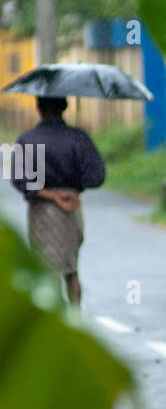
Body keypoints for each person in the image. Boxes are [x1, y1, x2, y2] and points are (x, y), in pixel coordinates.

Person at [10, 96, 106, 305]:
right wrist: (72, 190)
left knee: (47, 268)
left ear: (38, 108)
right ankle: (75, 314)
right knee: (71, 268)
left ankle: (54, 318)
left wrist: (51, 195)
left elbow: (19, 178)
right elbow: (96, 176)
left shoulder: (27, 139)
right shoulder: (79, 138)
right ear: (64, 107)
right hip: (72, 208)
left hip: (42, 210)